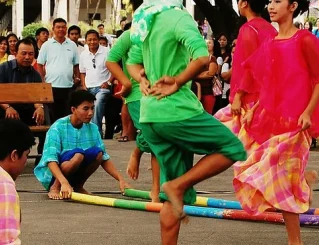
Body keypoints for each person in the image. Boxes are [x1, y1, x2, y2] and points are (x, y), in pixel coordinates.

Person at [127, 0, 247, 243]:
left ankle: (176, 189)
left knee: (172, 199)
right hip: (177, 111)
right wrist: (179, 80)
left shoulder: (145, 19)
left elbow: (132, 62)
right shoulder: (178, 17)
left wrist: (140, 78)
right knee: (233, 147)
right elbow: (203, 58)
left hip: (149, 115)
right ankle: (178, 185)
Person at [234, 0, 319, 243]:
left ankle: (295, 240)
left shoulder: (303, 39)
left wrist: (307, 111)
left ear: (293, 6)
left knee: (279, 180)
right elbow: (269, 85)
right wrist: (256, 108)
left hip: (297, 123)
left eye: (278, 2)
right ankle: (303, 184)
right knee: (276, 178)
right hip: (274, 120)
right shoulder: (270, 42)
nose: (271, 6)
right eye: (270, 1)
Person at [105, 0, 161, 202]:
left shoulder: (158, 35)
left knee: (160, 137)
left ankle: (138, 152)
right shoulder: (130, 35)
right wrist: (125, 83)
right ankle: (155, 191)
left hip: (158, 92)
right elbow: (111, 60)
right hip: (137, 94)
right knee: (154, 137)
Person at [34, 90, 130, 200]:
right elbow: (50, 159)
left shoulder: (93, 128)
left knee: (98, 153)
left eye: (92, 108)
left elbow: (104, 158)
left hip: (75, 170)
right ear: (73, 110)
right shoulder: (57, 127)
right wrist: (63, 182)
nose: (90, 113)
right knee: (78, 154)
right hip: (55, 175)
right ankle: (55, 187)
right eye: (86, 109)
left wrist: (121, 179)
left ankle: (78, 186)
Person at [214, 0, 277, 137]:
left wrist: (238, 96)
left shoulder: (248, 29)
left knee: (231, 140)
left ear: (244, 3)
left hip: (248, 97)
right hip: (264, 95)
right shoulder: (271, 29)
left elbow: (251, 67)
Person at [0, 38, 47, 165]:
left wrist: (39, 107)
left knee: (45, 118)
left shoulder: (35, 74)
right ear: (15, 53)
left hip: (26, 109)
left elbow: (37, 96)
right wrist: (8, 107)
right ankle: (2, 158)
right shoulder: (3, 69)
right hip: (5, 107)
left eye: (31, 54)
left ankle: (42, 158)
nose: (27, 57)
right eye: (24, 53)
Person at [37, 18, 81, 122]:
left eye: (63, 27)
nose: (61, 29)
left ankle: (65, 138)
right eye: (58, 27)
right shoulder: (46, 45)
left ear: (66, 29)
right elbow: (40, 64)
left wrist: (77, 77)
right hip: (51, 86)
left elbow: (76, 65)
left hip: (68, 86)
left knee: (67, 116)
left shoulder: (72, 45)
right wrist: (42, 81)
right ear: (53, 29)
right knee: (52, 116)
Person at [79, 30, 113, 135]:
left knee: (98, 102)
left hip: (103, 87)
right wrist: (84, 86)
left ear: (98, 40)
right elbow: (82, 72)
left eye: (94, 39)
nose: (92, 42)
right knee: (83, 106)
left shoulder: (107, 51)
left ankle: (96, 132)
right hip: (88, 88)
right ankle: (86, 132)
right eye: (89, 40)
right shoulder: (83, 54)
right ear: (86, 41)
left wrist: (109, 82)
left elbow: (114, 69)